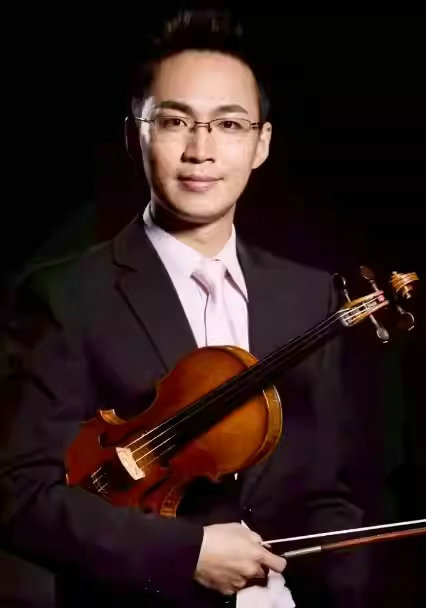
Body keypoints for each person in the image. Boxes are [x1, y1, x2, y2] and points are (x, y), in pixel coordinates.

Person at [0, 10, 367, 608]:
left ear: (261, 144)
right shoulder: (64, 294)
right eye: (174, 122)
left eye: (229, 124)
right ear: (134, 136)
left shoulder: (310, 297)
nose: (201, 150)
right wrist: (185, 555)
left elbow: (328, 490)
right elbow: (18, 493)